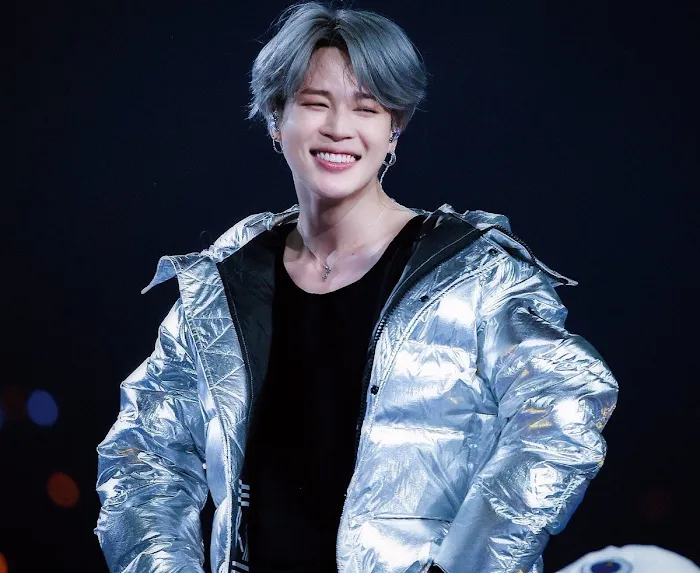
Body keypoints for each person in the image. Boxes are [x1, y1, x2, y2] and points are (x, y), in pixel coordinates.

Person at [95, 2, 618, 572]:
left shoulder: (476, 274)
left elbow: (565, 406)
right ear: (275, 119)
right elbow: (143, 453)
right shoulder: (224, 285)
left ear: (395, 130)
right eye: (314, 103)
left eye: (366, 108)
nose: (339, 128)